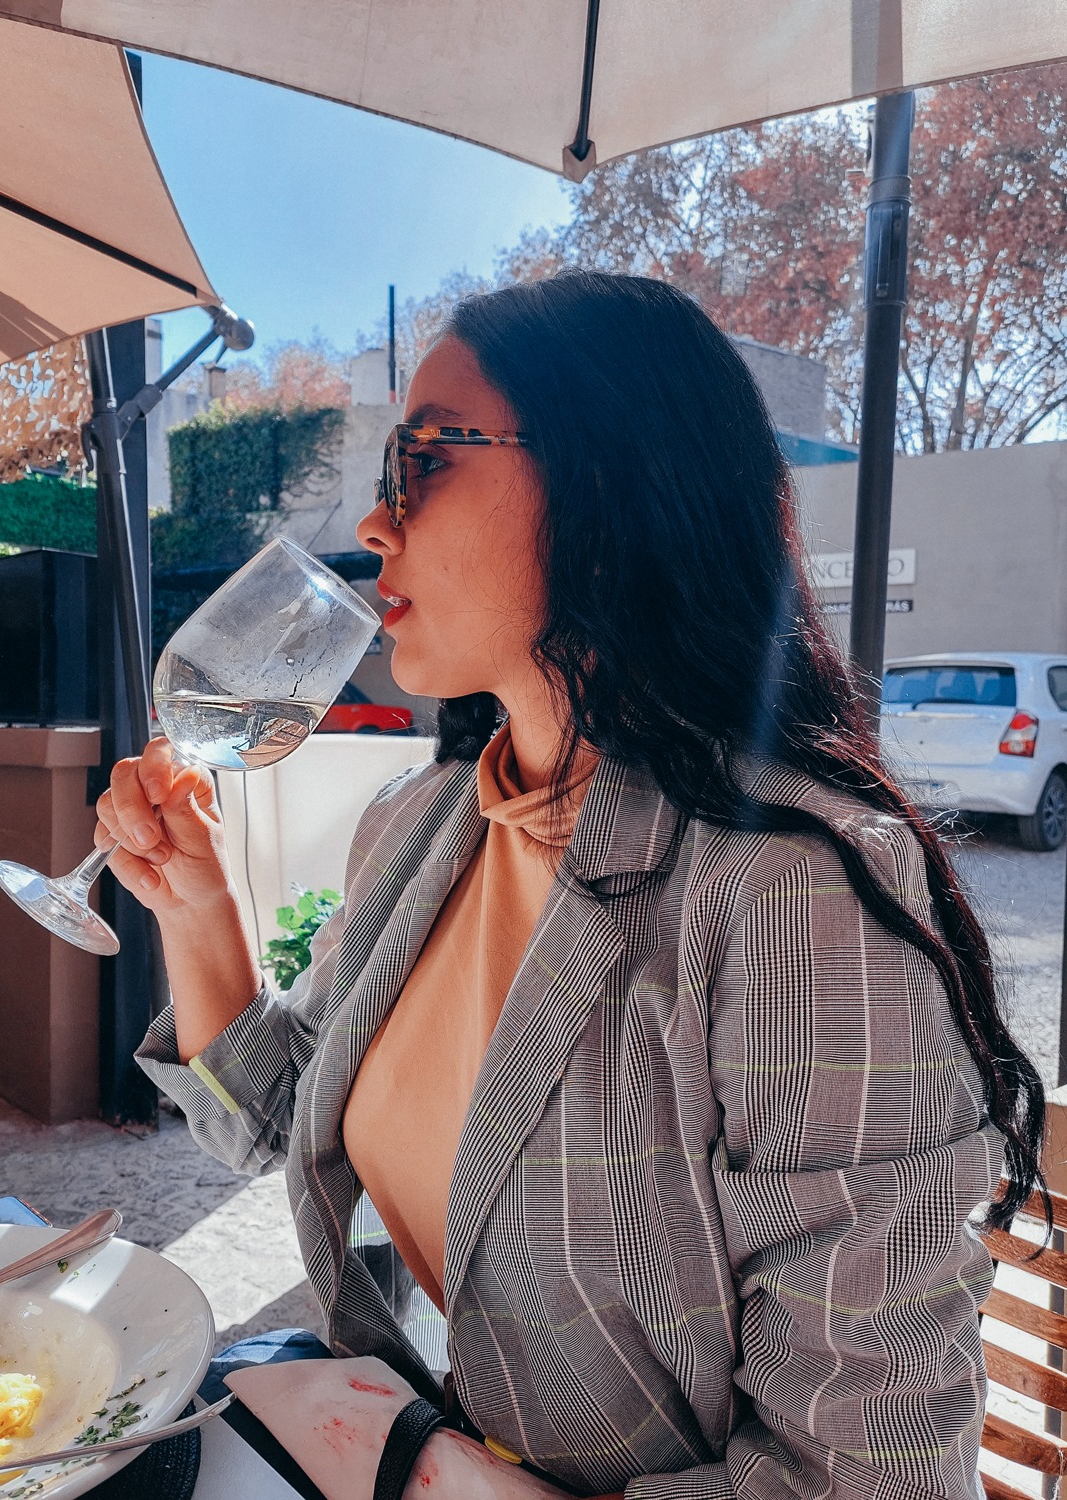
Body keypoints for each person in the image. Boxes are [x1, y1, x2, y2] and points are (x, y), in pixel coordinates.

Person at [96, 272, 1044, 1500]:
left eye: (425, 460)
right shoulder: (423, 823)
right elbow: (270, 1123)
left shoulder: (792, 897)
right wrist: (196, 908)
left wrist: (441, 1480)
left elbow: (870, 1481)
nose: (377, 525)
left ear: (615, 480)